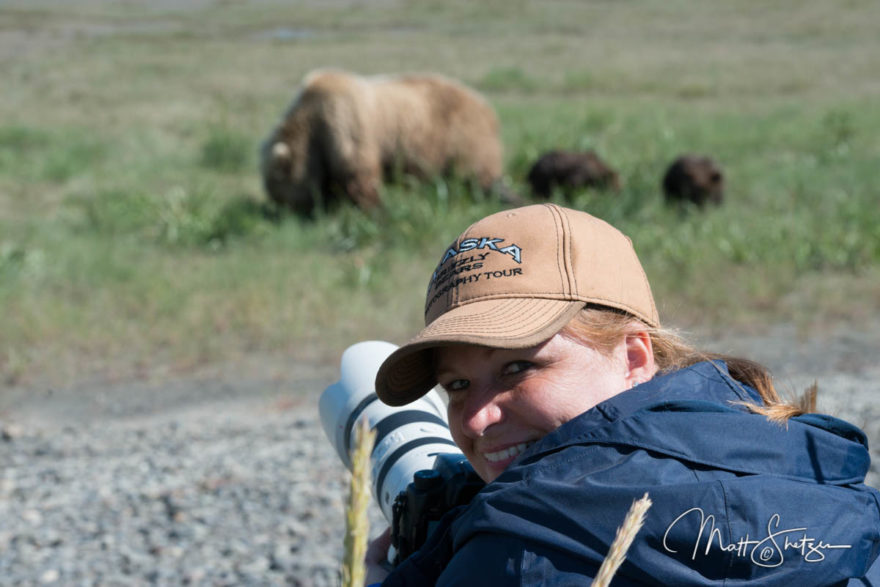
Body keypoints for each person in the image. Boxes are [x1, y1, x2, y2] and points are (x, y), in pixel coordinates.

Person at [366, 203, 880, 585]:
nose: (475, 420)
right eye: (456, 385)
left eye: (517, 367)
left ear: (634, 356)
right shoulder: (815, 479)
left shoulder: (512, 552)